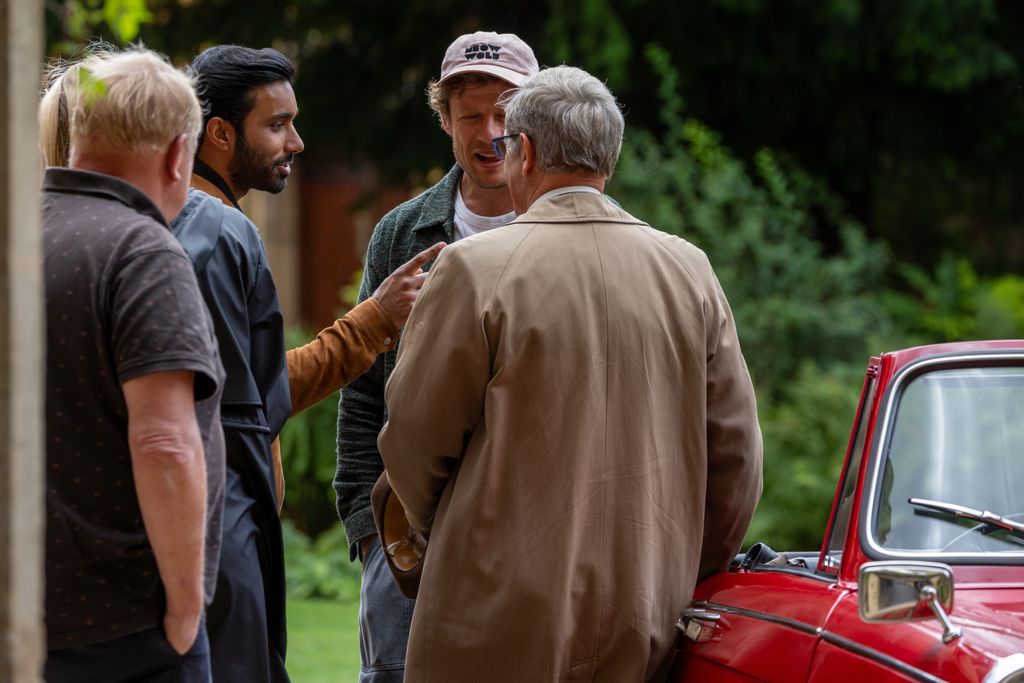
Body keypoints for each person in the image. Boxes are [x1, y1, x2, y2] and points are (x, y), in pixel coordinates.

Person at [376, 65, 764, 681]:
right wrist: (678, 566)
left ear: (523, 152)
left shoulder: (476, 269)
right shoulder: (689, 270)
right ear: (608, 159)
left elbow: (414, 444)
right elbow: (737, 461)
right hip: (650, 612)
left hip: (495, 614)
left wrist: (452, 543)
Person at [176, 45, 443, 682]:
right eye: (277, 124)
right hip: (219, 519)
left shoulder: (206, 218)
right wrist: (374, 321)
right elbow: (251, 394)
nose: (297, 142)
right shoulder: (209, 228)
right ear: (219, 133)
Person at [333, 30, 539, 681]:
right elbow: (363, 386)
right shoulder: (401, 231)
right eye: (471, 114)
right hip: (411, 526)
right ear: (444, 118)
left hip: (539, 521)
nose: (491, 132)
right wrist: (371, 532)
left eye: (506, 111)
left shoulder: (582, 223)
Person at [41, 48, 226, 682]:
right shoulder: (142, 251)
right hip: (124, 628)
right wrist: (182, 609)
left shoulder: (16, 235)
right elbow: (164, 440)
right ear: (179, 155)